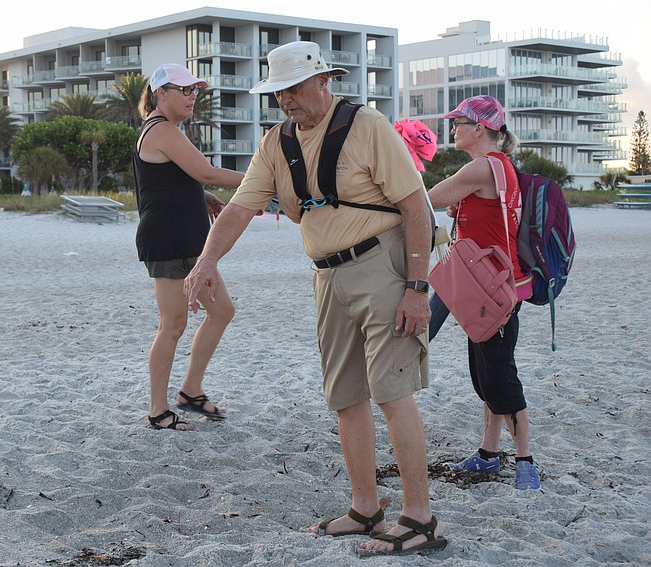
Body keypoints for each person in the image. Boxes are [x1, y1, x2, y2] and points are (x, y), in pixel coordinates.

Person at [184, 41, 447, 556]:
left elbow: (417, 207)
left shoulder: (367, 126)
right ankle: (365, 508)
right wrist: (205, 262)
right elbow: (238, 209)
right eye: (279, 92)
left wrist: (418, 289)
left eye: (295, 89)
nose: (287, 100)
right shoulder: (275, 143)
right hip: (327, 276)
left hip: (384, 266)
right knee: (346, 397)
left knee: (393, 393)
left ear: (324, 82)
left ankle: (418, 518)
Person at [427, 95, 541, 490]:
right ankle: (489, 454)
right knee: (487, 371)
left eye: (459, 122)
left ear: (480, 129)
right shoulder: (499, 167)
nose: (453, 128)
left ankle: (525, 460)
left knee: (500, 378)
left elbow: (427, 199)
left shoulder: (482, 168)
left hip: (493, 292)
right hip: (492, 288)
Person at [134, 63, 244, 431]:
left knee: (222, 311)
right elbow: (206, 171)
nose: (192, 96)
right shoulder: (161, 129)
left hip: (186, 239)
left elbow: (172, 181)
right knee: (173, 325)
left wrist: (204, 198)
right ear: (160, 93)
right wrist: (266, 182)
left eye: (194, 90)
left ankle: (191, 391)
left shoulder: (167, 130)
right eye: (184, 90)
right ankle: (158, 410)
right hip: (169, 241)